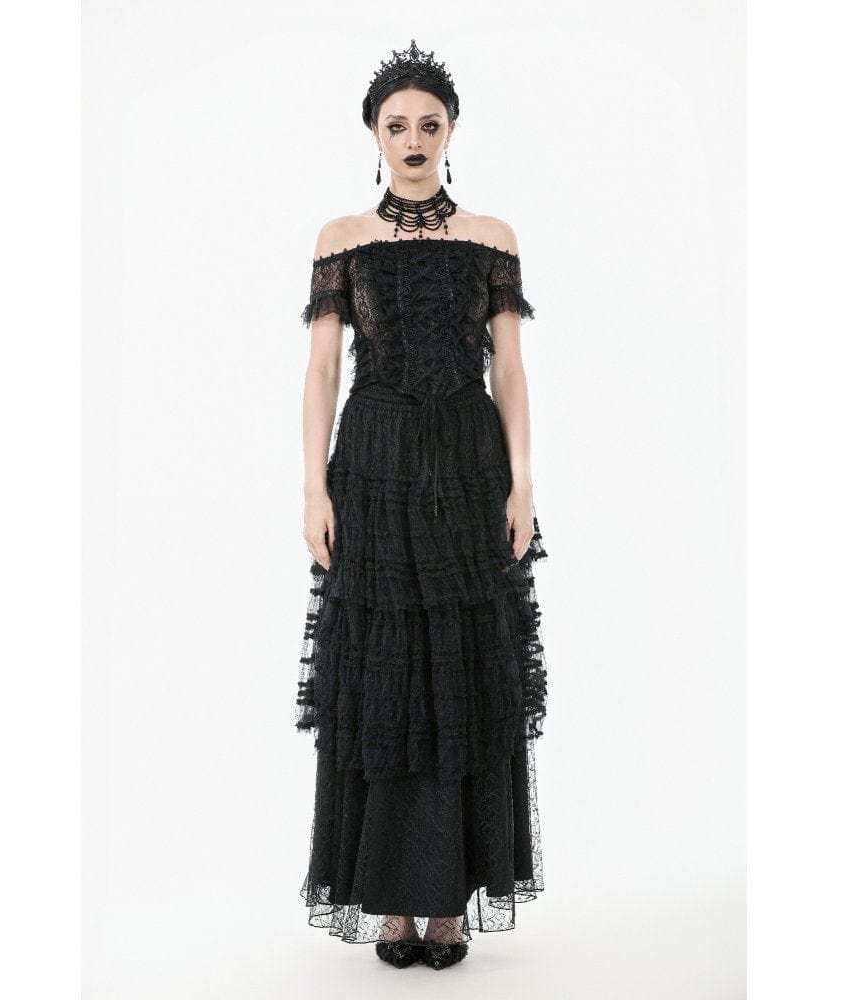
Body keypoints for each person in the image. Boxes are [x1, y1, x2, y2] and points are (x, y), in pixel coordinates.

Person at [295, 39, 549, 971]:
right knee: (383, 675)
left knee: (465, 671)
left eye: (428, 125)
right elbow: (322, 371)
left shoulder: (492, 238)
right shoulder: (340, 240)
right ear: (373, 133)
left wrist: (522, 480)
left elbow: (509, 369)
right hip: (374, 463)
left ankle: (448, 907)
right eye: (396, 124)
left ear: (451, 132)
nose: (413, 139)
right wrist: (312, 485)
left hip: (467, 463)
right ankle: (392, 906)